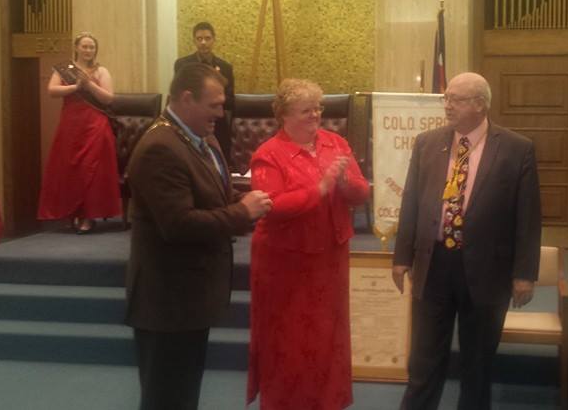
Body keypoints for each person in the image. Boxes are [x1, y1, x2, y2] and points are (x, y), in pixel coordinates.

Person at [124, 63, 272, 410]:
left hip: (190, 298)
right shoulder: (160, 147)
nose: (221, 113)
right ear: (187, 98)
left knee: (183, 395)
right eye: (214, 105)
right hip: (167, 302)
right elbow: (179, 224)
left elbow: (216, 197)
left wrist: (260, 202)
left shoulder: (202, 140)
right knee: (166, 399)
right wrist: (243, 212)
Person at [392, 72, 542, 410]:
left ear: (480, 105)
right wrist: (401, 257)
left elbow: (528, 217)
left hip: (488, 270)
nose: (447, 105)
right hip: (434, 264)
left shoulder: (517, 148)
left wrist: (524, 273)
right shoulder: (427, 142)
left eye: (456, 100)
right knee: (424, 361)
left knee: (477, 365)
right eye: (446, 98)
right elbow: (411, 202)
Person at [247, 78, 369, 410]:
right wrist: (321, 188)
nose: (315, 115)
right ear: (284, 115)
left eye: (318, 108)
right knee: (290, 341)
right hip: (286, 264)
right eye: (306, 110)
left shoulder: (335, 143)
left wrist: (344, 184)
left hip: (330, 259)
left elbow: (361, 192)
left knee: (328, 337)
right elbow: (272, 206)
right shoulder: (268, 154)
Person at [37, 32, 121, 233]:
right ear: (76, 48)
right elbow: (52, 90)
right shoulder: (65, 69)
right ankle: (73, 212)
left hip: (95, 125)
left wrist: (89, 85)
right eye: (84, 46)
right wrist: (76, 87)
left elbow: (108, 98)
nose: (88, 50)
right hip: (71, 125)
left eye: (92, 47)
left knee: (90, 169)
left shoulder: (101, 71)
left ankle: (89, 216)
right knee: (70, 169)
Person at [174, 21, 236, 167]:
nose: (203, 43)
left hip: (217, 124)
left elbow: (231, 101)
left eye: (207, 38)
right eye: (199, 38)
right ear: (194, 41)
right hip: (190, 122)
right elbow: (179, 96)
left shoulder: (225, 67)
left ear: (214, 40)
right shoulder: (182, 65)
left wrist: (214, 95)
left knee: (220, 164)